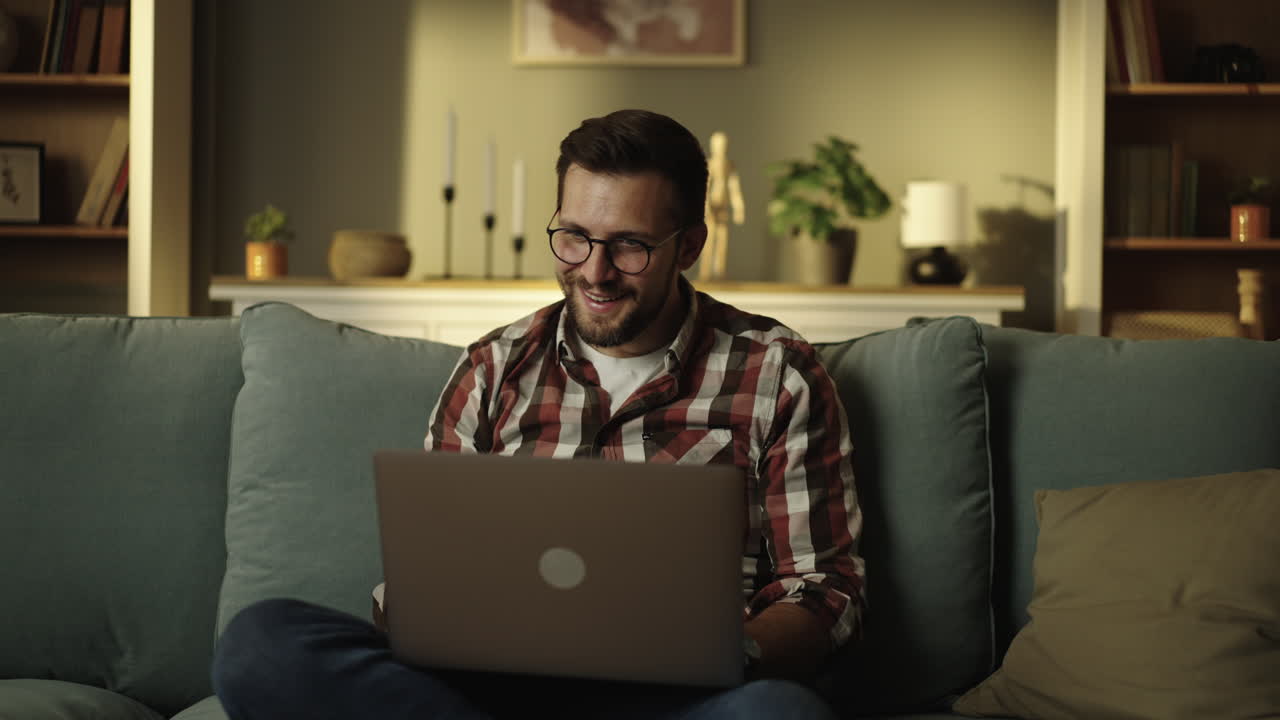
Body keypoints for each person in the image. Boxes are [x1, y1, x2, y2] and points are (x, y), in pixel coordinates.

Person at [212, 109, 865, 720]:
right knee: (261, 644)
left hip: (676, 700)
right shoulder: (493, 369)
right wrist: (421, 613)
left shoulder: (776, 374)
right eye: (574, 237)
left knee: (780, 713)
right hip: (493, 689)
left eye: (630, 246)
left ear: (688, 245)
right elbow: (426, 574)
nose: (595, 272)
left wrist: (735, 654)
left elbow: (824, 590)